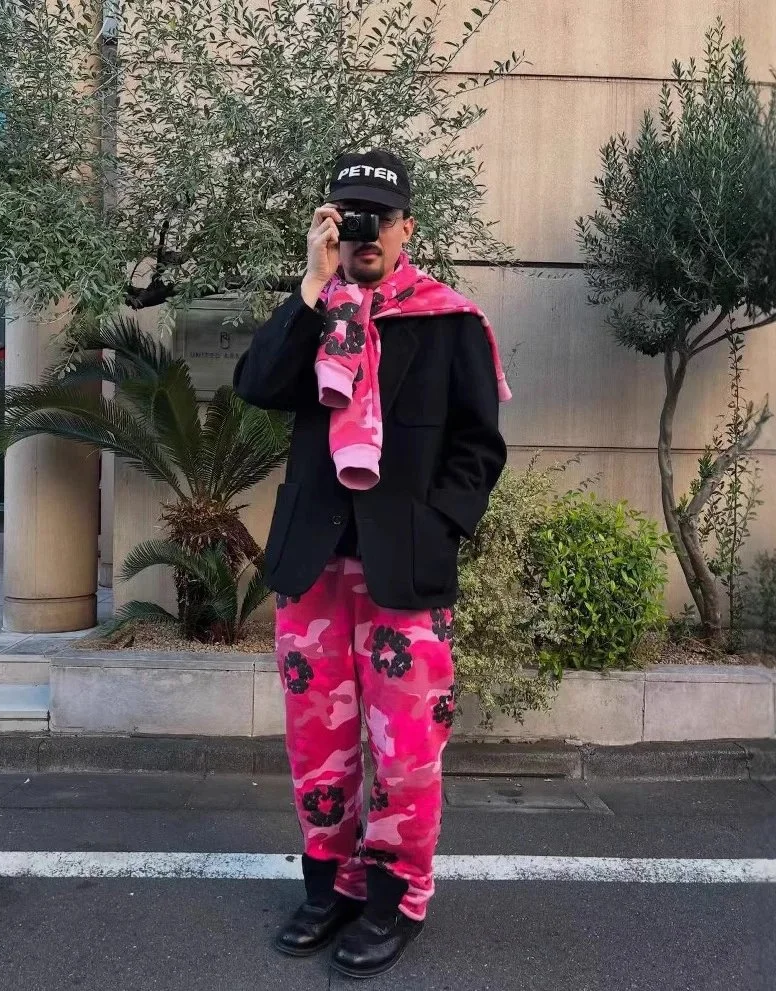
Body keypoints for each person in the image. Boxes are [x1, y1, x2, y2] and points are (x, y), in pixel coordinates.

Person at [233, 148, 509, 979]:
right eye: (347, 216)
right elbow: (256, 384)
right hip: (312, 566)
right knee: (316, 742)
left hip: (405, 574)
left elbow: (477, 447)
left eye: (377, 218)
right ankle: (330, 888)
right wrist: (310, 286)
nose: (364, 233)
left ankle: (395, 896)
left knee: (405, 750)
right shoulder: (317, 313)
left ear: (405, 228)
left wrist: (439, 527)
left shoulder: (449, 321)